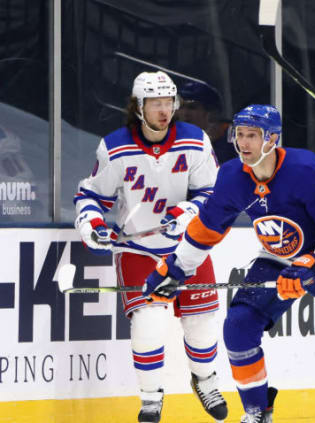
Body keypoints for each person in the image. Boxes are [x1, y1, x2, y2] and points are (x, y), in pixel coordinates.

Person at [140, 104, 315, 423]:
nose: (243, 144)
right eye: (239, 135)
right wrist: (175, 268)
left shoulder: (307, 171)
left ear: (272, 139)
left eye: (252, 136)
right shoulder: (232, 177)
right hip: (278, 257)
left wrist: (311, 264)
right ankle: (258, 411)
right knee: (239, 325)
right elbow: (206, 229)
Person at [73, 70, 227, 423]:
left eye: (169, 102)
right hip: (139, 251)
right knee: (149, 322)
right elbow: (90, 195)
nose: (163, 110)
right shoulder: (114, 146)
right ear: (138, 106)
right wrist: (93, 225)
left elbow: (213, 193)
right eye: (155, 103)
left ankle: (205, 380)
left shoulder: (195, 140)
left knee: (201, 322)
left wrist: (188, 211)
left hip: (189, 247)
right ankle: (150, 397)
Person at [177, 81, 236, 165]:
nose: (185, 113)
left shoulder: (236, 137)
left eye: (192, 107)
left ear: (212, 113)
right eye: (181, 107)